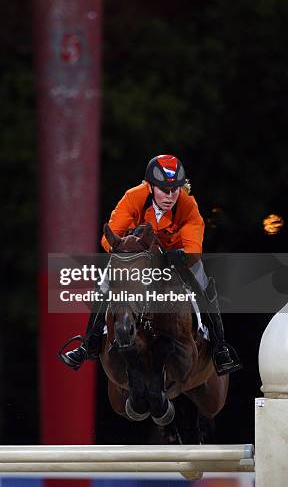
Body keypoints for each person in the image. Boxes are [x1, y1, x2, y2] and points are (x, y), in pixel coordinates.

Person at [60, 154, 241, 375]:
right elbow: (109, 238)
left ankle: (219, 346)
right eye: (165, 189)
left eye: (175, 189)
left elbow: (193, 251)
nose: (170, 195)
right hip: (136, 255)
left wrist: (173, 256)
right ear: (150, 186)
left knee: (202, 281)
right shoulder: (133, 198)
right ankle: (90, 343)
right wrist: (125, 250)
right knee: (105, 281)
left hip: (176, 255)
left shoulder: (188, 206)